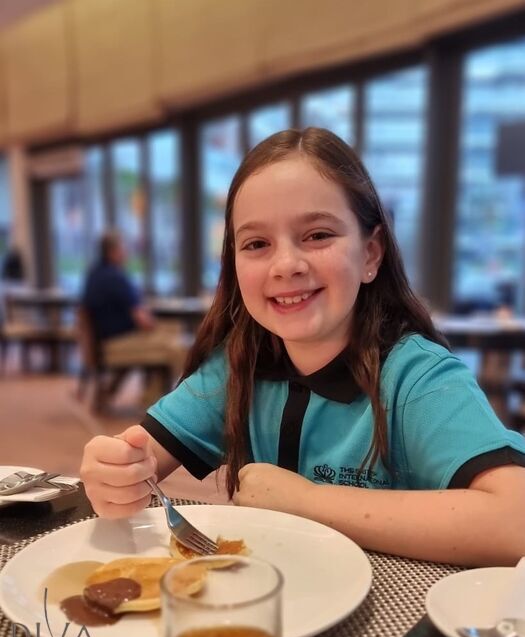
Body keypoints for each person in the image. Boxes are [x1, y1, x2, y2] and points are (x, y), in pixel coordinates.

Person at [80, 128, 525, 566]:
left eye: (317, 235)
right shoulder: (237, 365)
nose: (286, 265)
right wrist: (117, 474)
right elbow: (140, 459)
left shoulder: (417, 378)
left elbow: (515, 518)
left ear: (371, 254)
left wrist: (306, 500)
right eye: (257, 243)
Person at [80, 230, 185, 405]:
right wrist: (155, 326)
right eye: (123, 248)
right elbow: (144, 322)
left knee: (167, 336)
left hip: (102, 340)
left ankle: (151, 396)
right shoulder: (116, 278)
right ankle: (158, 401)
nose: (126, 252)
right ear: (113, 251)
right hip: (116, 342)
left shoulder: (94, 274)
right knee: (174, 346)